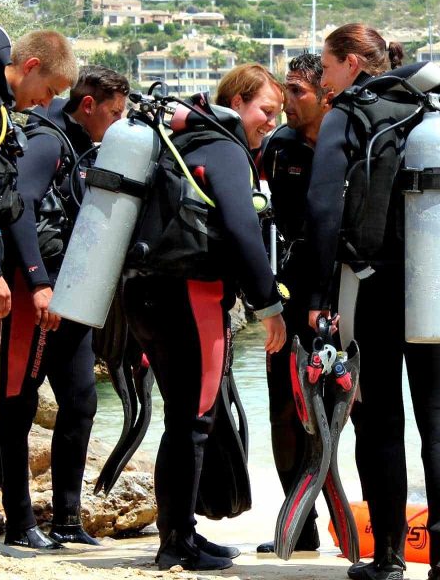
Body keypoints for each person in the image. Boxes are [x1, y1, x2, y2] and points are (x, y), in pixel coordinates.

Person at [303, 23, 440, 580]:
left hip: (372, 286)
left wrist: (316, 295)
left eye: (329, 65)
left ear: (356, 63)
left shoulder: (348, 115)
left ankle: (386, 560)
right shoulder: (435, 118)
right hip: (436, 287)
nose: (325, 76)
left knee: (380, 424)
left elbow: (321, 210)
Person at [121, 63, 287, 570]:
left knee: (182, 417)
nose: (270, 123)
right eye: (265, 110)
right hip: (192, 296)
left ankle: (180, 534)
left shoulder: (187, 144)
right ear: (236, 102)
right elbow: (240, 229)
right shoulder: (226, 149)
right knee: (194, 420)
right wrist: (269, 306)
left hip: (146, 294)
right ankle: (177, 543)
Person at [0, 65, 129, 549]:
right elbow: (22, 204)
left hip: (69, 294)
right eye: (113, 114)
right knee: (18, 404)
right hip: (38, 293)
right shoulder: (50, 139)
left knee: (80, 401)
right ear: (88, 104)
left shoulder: (84, 145)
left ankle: (67, 520)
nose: (118, 124)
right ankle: (18, 523)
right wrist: (38, 283)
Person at [0, 24, 77, 548]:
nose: (47, 102)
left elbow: (8, 205)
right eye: (49, 90)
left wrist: (29, 279)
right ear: (30, 67)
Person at [255, 53, 331, 554]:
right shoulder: (279, 147)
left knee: (343, 412)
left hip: (340, 293)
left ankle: (362, 519)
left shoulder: (351, 139)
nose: (286, 101)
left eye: (297, 92)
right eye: (285, 89)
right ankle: (297, 522)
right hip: (290, 293)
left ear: (327, 94)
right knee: (284, 411)